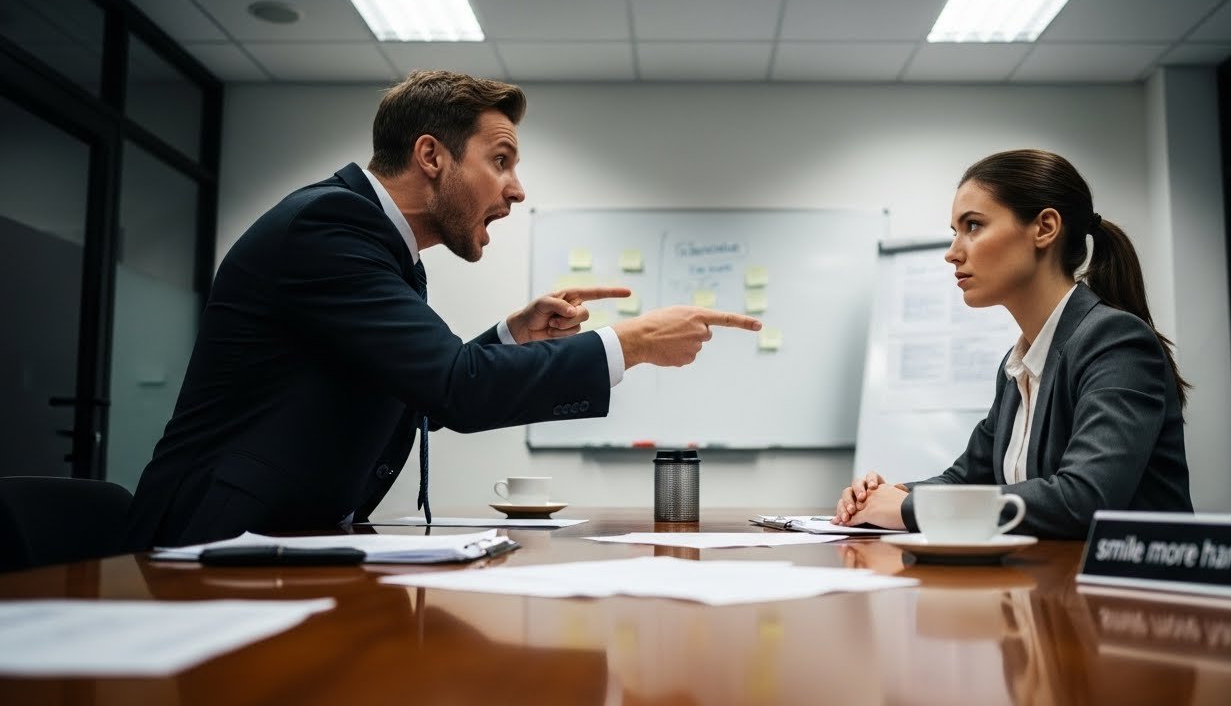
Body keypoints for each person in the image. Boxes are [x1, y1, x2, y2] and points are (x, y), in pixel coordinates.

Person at [125, 70, 761, 548]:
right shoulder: (330, 226)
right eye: (501, 161)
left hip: (282, 542)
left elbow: (424, 388)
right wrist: (633, 343)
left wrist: (510, 337)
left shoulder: (382, 247)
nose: (516, 190)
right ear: (432, 156)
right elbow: (455, 389)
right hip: (212, 544)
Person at [833, 149, 1192, 539]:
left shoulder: (1115, 342)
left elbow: (1084, 499)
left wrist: (906, 508)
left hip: (1130, 591)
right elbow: (969, 478)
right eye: (956, 231)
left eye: (972, 226)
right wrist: (886, 495)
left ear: (1045, 228)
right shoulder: (1019, 363)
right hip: (1049, 584)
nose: (952, 253)